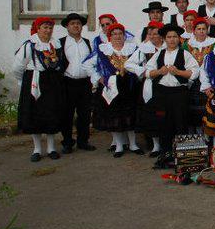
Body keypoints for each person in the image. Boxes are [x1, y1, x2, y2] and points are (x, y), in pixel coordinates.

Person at [145, 24, 200, 168]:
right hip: (162, 93)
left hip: (179, 94)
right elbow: (148, 72)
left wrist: (178, 72)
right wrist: (160, 71)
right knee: (164, 124)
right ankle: (165, 155)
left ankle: (182, 158)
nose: (172, 39)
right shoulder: (159, 54)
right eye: (169, 37)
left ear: (179, 38)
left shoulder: (185, 54)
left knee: (180, 123)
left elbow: (194, 72)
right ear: (164, 39)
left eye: (175, 36)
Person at [83, 23, 141, 158]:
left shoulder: (132, 49)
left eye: (120, 33)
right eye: (114, 34)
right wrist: (98, 78)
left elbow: (142, 63)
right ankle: (119, 145)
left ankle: (133, 144)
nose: (117, 36)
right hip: (112, 86)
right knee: (114, 115)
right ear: (109, 36)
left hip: (129, 85)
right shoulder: (103, 50)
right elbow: (86, 64)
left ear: (124, 35)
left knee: (130, 114)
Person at [14, 17, 65, 162]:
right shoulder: (30, 45)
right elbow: (17, 67)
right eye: (45, 28)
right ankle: (36, 149)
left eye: (50, 28)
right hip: (34, 81)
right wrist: (23, 82)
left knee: (51, 113)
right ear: (38, 28)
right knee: (34, 115)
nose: (48, 31)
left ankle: (51, 148)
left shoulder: (55, 45)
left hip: (52, 82)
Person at [125, 20, 166, 157]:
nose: (154, 36)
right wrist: (144, 71)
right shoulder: (144, 48)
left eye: (157, 33)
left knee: (165, 114)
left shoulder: (168, 46)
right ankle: (155, 145)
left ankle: (167, 143)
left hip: (166, 84)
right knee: (153, 115)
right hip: (150, 84)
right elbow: (128, 64)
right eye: (151, 33)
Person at [58, 13, 95, 154]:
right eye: (72, 23)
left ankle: (83, 141)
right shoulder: (60, 43)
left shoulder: (87, 43)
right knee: (66, 114)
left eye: (78, 23)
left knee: (84, 114)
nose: (76, 26)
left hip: (84, 83)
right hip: (67, 82)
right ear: (67, 26)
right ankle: (67, 142)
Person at [182, 17, 215, 136]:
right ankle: (194, 138)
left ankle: (207, 137)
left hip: (209, 82)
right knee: (193, 111)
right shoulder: (187, 45)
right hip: (192, 82)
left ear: (207, 30)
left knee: (208, 110)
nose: (201, 31)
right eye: (198, 29)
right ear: (194, 31)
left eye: (203, 29)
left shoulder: (214, 43)